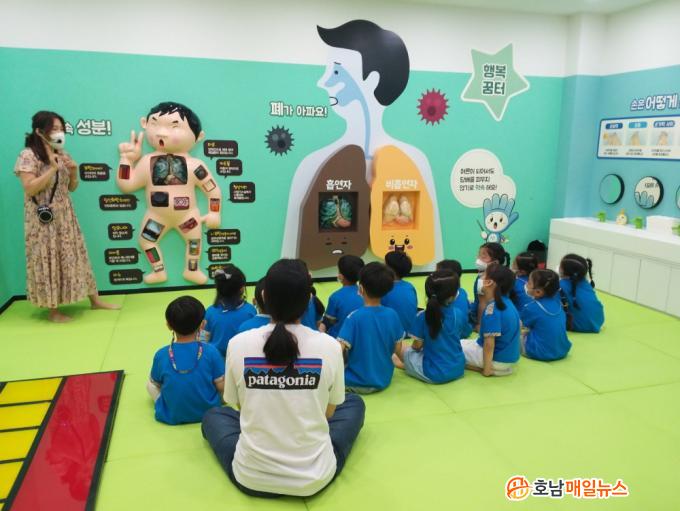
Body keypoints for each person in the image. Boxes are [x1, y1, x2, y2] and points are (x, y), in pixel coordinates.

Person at [202, 259, 365, 498]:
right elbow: (328, 413)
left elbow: (240, 407)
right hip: (314, 477)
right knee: (353, 403)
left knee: (214, 415)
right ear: (309, 300)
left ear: (264, 296)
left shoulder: (237, 344)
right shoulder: (330, 346)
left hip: (251, 476)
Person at [14, 111, 119, 322]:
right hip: (43, 219)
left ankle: (95, 301)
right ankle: (53, 311)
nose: (59, 133)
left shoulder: (61, 153)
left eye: (61, 128)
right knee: (48, 258)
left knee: (77, 255)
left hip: (66, 215)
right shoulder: (28, 155)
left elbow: (71, 188)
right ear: (39, 131)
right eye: (54, 128)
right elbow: (30, 188)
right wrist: (52, 169)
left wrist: (73, 172)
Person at [147, 296, 225, 425]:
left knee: (150, 384)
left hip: (171, 415)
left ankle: (169, 405)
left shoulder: (161, 354)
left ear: (168, 325)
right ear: (203, 324)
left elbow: (156, 383)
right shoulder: (211, 351)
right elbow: (221, 386)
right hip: (210, 413)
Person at [338, 262, 405, 393]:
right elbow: (397, 348)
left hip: (355, 383)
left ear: (361, 289)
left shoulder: (353, 317)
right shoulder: (392, 314)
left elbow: (338, 350)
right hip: (384, 380)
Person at [394, 271, 466, 384]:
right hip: (458, 368)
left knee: (400, 347)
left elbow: (417, 346)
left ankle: (405, 365)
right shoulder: (458, 313)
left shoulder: (422, 316)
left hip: (434, 373)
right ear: (451, 297)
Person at [461, 264, 520, 376]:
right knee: (461, 342)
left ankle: (490, 368)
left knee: (452, 349)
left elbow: (489, 344)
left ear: (489, 282)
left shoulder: (492, 309)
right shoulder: (507, 302)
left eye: (484, 274)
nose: (480, 277)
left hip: (496, 359)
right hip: (508, 358)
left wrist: (487, 370)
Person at [203, 264, 256, 357]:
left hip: (216, 360)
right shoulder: (250, 311)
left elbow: (203, 341)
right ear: (242, 289)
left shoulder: (210, 312)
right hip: (242, 359)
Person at [520, 270, 572, 361]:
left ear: (538, 292)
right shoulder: (559, 303)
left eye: (529, 283)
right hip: (562, 350)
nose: (526, 284)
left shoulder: (531, 307)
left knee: (512, 335)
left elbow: (519, 325)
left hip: (539, 352)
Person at [469, 242, 510, 332]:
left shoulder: (483, 280)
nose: (478, 259)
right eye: (478, 255)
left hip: (487, 315)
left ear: (494, 262)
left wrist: (479, 324)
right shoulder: (505, 275)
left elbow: (482, 303)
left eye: (483, 257)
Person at [559, 254, 605, 333]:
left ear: (564, 270)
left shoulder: (560, 285)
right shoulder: (586, 283)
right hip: (598, 320)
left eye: (560, 266)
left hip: (579, 325)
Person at [321, 255, 365, 337]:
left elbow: (327, 323)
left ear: (341, 276)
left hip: (338, 339)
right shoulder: (366, 295)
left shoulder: (335, 297)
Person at [381, 251, 418, 335]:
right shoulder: (409, 287)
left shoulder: (383, 288)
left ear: (391, 269)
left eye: (384, 264)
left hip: (393, 337)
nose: (382, 266)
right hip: (411, 334)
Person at [436, 259, 472, 338]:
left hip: (451, 334)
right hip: (465, 331)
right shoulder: (462, 292)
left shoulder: (440, 295)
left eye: (436, 273)